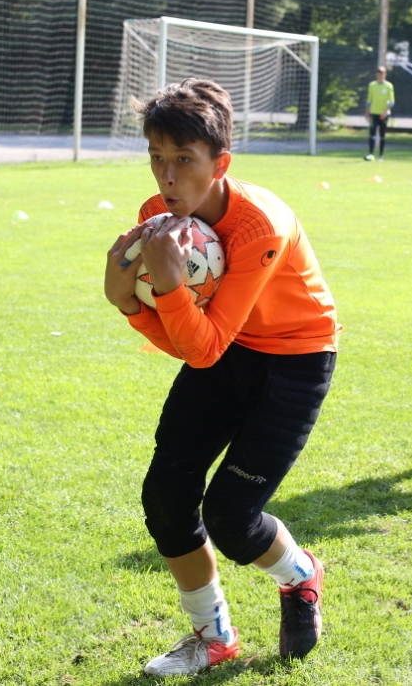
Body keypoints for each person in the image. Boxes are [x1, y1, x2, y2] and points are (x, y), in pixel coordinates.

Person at [103, 78, 338, 677]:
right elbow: (197, 344)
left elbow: (202, 347)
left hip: (294, 357)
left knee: (233, 517)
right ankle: (213, 637)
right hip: (225, 349)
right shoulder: (158, 217)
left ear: (220, 162)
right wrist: (133, 305)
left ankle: (300, 575)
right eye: (157, 159)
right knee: (166, 495)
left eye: (184, 160)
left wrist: (156, 293)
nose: (167, 177)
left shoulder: (261, 225)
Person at [364, 65, 395, 161]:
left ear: (385, 74)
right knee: (372, 133)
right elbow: (369, 100)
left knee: (382, 135)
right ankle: (370, 154)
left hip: (384, 114)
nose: (380, 76)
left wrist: (385, 112)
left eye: (382, 74)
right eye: (379, 74)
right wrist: (367, 113)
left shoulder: (389, 86)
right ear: (376, 74)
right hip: (374, 113)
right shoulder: (372, 85)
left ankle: (381, 156)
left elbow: (392, 101)